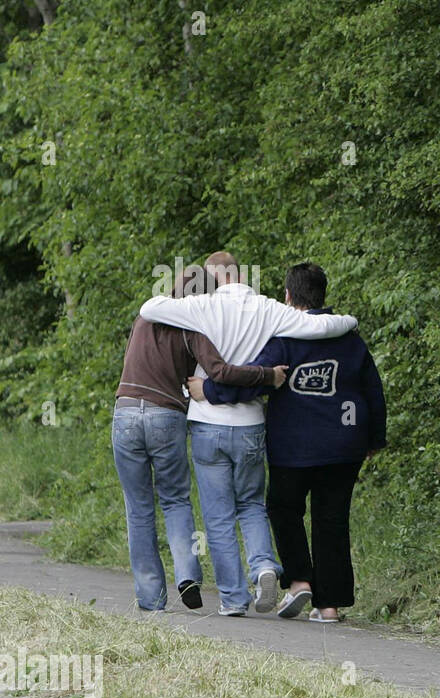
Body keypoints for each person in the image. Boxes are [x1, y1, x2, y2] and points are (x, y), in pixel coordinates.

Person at [138, 251, 359, 616]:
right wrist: (350, 320)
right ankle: (264, 567)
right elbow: (319, 326)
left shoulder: (200, 306)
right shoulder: (269, 308)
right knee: (252, 505)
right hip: (251, 425)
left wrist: (184, 297)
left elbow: (149, 308)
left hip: (208, 422)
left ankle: (233, 599)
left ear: (211, 277)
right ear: (242, 274)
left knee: (219, 516)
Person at [190, 262, 386, 623]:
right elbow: (373, 390)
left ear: (288, 296)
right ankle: (329, 606)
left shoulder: (284, 339)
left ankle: (299, 580)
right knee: (332, 520)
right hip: (345, 445)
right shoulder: (350, 339)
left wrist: (209, 391)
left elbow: (255, 379)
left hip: (293, 448)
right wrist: (375, 438)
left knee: (283, 509)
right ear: (323, 294)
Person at [113, 264, 287, 612]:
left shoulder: (142, 319)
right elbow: (221, 372)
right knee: (175, 500)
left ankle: (151, 599)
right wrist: (267, 375)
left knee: (138, 508)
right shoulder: (193, 328)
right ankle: (188, 574)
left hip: (126, 410)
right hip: (168, 415)